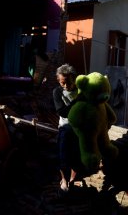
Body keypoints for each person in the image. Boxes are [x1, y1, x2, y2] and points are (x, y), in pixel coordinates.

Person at [53, 64, 80, 192]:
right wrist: (78, 105)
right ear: (59, 81)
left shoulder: (81, 90)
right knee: (63, 156)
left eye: (68, 82)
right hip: (65, 127)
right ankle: (64, 179)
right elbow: (61, 112)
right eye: (62, 83)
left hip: (80, 128)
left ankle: (72, 180)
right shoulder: (57, 91)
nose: (66, 86)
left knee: (76, 155)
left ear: (74, 78)